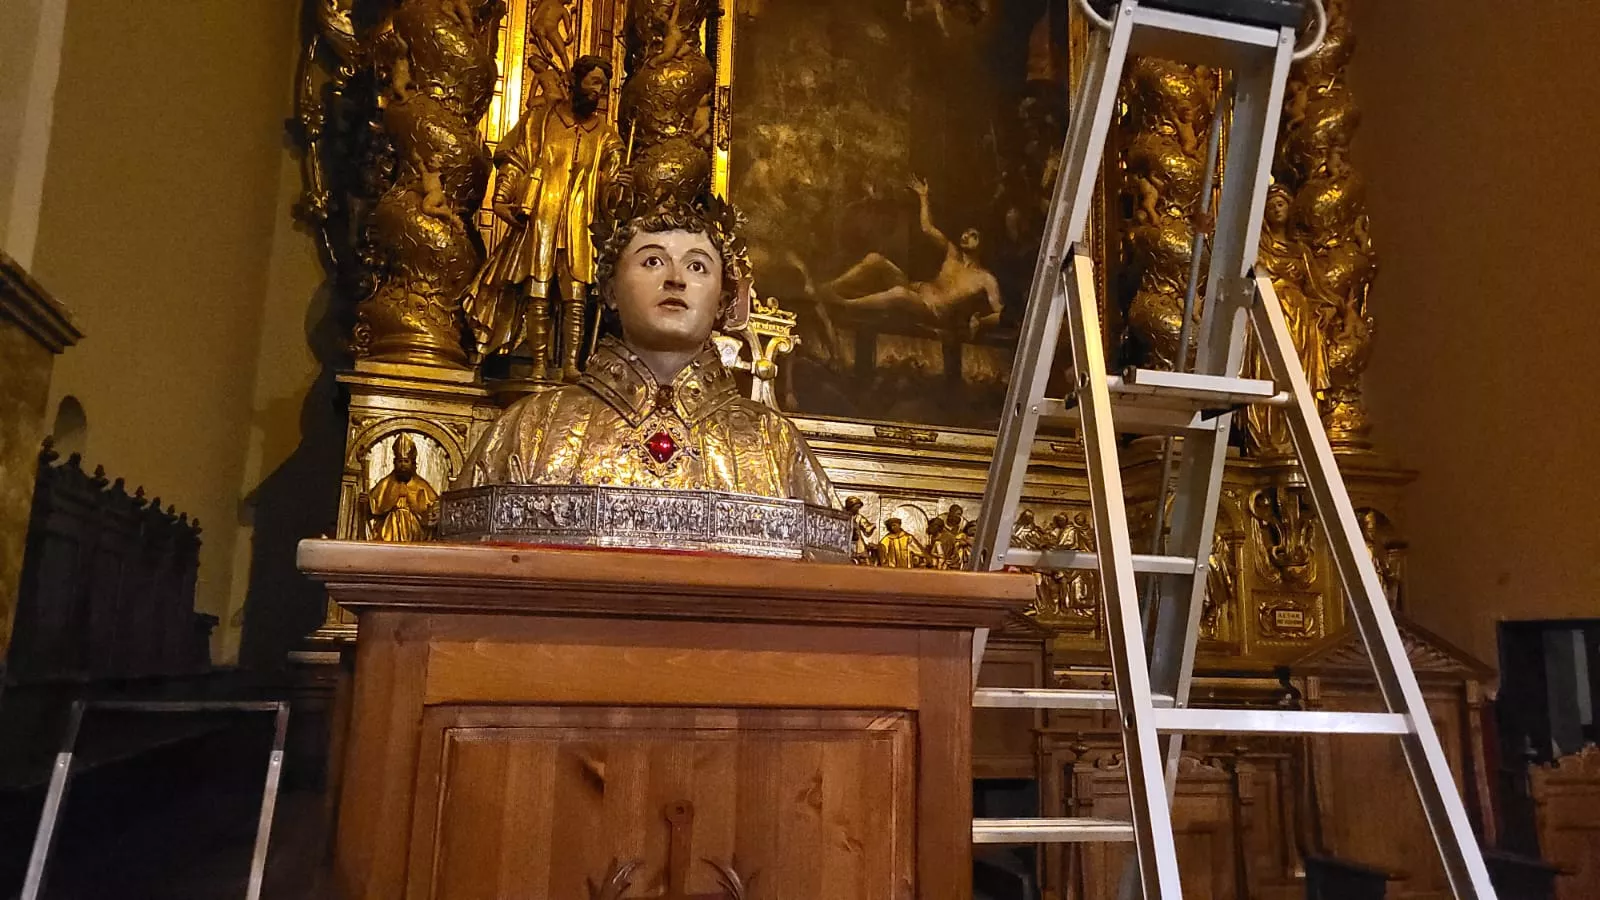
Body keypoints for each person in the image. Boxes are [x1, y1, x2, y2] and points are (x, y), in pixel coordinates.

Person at [458, 195, 836, 508]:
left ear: (722, 301)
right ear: (609, 290)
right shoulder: (530, 427)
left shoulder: (773, 442)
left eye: (698, 266)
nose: (675, 278)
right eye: (652, 261)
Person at [463, 55, 625, 381]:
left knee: (575, 295)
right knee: (538, 290)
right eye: (594, 83)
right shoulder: (540, 121)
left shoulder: (607, 136)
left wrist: (616, 185)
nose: (599, 93)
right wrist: (502, 198)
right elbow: (516, 160)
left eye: (604, 88)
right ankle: (537, 364)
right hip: (542, 218)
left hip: (580, 221)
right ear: (574, 82)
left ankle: (569, 365)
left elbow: (614, 195)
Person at [819, 176, 1003, 344]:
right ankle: (829, 287)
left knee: (899, 293)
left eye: (973, 235)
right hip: (918, 290)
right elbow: (927, 228)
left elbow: (1000, 312)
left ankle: (846, 304)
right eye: (966, 232)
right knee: (875, 259)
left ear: (982, 244)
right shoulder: (952, 253)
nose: (965, 236)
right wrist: (923, 197)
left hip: (933, 311)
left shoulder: (985, 278)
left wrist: (981, 322)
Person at [364, 434, 439, 542]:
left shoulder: (421, 485)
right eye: (400, 461)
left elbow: (434, 505)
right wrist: (367, 502)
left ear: (413, 464)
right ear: (395, 463)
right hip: (389, 526)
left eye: (406, 461)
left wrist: (434, 512)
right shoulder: (386, 483)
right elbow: (374, 504)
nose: (402, 465)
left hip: (414, 528)